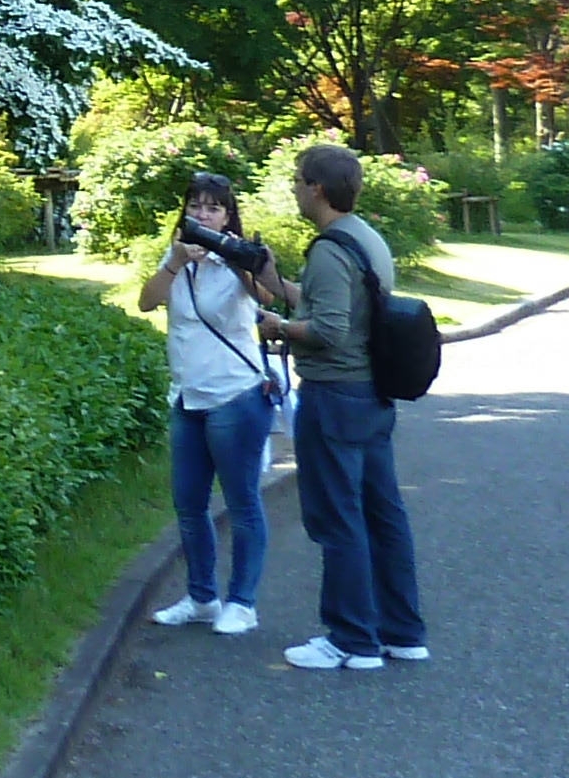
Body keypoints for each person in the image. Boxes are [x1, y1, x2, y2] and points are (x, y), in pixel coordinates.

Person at [258, 142, 428, 672]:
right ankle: (402, 632)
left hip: (334, 397)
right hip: (371, 396)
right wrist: (269, 280)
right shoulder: (364, 239)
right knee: (384, 515)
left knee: (338, 519)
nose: (292, 188)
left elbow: (328, 330)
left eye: (296, 180)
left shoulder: (330, 248)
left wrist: (278, 328)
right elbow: (335, 304)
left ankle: (351, 638)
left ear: (317, 188)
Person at [136, 170, 288, 636]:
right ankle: (201, 596)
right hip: (187, 396)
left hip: (235, 396)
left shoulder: (239, 260)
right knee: (188, 504)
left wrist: (251, 263)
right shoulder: (176, 257)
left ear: (228, 216)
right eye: (196, 205)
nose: (203, 214)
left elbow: (272, 294)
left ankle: (242, 601)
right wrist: (176, 263)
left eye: (214, 207)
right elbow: (146, 302)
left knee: (242, 503)